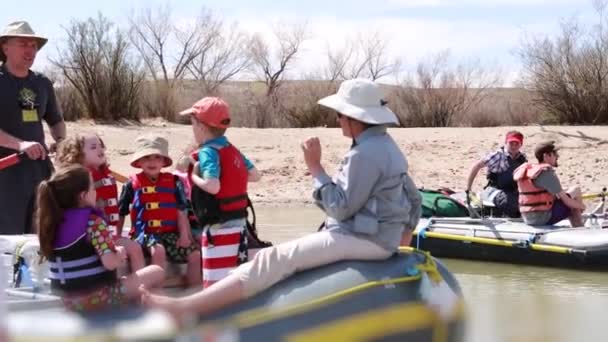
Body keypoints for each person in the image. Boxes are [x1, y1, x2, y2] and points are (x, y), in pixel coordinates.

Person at [140, 78, 422, 319]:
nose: (337, 119)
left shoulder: (365, 155)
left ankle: (186, 308)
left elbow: (339, 207)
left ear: (354, 118)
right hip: (379, 239)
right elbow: (413, 199)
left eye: (340, 114)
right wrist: (400, 242)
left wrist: (315, 167)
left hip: (366, 240)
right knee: (282, 254)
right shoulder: (386, 146)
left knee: (276, 257)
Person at [36, 164, 163, 312]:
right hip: (96, 298)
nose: (95, 192)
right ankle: (149, 313)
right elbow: (110, 263)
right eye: (92, 188)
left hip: (65, 300)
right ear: (83, 195)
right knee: (156, 271)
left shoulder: (50, 222)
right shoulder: (93, 222)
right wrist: (120, 253)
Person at [178, 97, 262, 288]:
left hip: (219, 228)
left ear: (200, 126)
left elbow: (213, 186)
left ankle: (215, 316)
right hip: (240, 226)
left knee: (214, 283)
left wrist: (194, 177)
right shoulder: (231, 149)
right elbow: (255, 175)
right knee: (233, 279)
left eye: (192, 123)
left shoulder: (207, 152)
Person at [0, 21, 66, 234]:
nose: (30, 50)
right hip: (6, 172)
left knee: (42, 231)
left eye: (34, 45)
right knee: (9, 237)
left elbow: (55, 120)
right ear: (5, 47)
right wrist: (20, 144)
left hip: (39, 170)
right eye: (23, 44)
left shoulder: (42, 82)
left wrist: (61, 141)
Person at [117, 134, 201, 286]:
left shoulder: (174, 182)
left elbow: (181, 211)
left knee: (195, 255)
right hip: (145, 234)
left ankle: (194, 291)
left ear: (163, 161)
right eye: (147, 157)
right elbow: (121, 213)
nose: (152, 161)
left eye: (157, 157)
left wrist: (184, 236)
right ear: (139, 162)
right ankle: (156, 293)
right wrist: (117, 236)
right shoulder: (131, 184)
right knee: (159, 251)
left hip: (171, 233)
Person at [55, 133, 146, 271]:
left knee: (132, 246)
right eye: (93, 147)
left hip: (104, 232)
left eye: (101, 146)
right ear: (77, 155)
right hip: (90, 234)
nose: (100, 150)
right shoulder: (78, 179)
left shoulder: (104, 174)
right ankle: (140, 283)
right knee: (134, 248)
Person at [513, 141, 585, 227]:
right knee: (574, 204)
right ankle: (579, 228)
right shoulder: (546, 173)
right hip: (542, 218)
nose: (557, 156)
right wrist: (582, 207)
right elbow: (567, 201)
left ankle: (578, 223)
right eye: (554, 154)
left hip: (527, 218)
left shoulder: (531, 171)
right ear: (546, 156)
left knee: (575, 190)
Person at [466, 130, 527, 218]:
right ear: (506, 142)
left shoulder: (522, 159)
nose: (513, 146)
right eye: (511, 143)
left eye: (516, 143)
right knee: (509, 202)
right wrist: (469, 189)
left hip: (512, 191)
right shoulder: (498, 156)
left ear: (521, 144)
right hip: (494, 191)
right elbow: (476, 166)